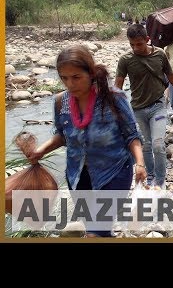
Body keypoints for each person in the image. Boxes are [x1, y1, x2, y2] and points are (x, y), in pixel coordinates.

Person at [26, 44, 147, 238]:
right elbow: (62, 135)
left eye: (76, 77)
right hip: (77, 175)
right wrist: (41, 151)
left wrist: (140, 164)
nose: (70, 84)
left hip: (114, 172)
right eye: (64, 78)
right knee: (96, 227)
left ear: (90, 73)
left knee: (95, 231)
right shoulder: (60, 102)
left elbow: (132, 135)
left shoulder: (113, 98)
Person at [115, 24, 173, 189]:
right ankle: (150, 177)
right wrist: (114, 109)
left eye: (139, 44)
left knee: (157, 144)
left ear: (147, 40)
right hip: (137, 109)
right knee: (146, 145)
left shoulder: (159, 54)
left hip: (158, 106)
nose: (135, 48)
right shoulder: (125, 59)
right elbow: (117, 87)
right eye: (132, 44)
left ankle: (160, 181)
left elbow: (171, 75)